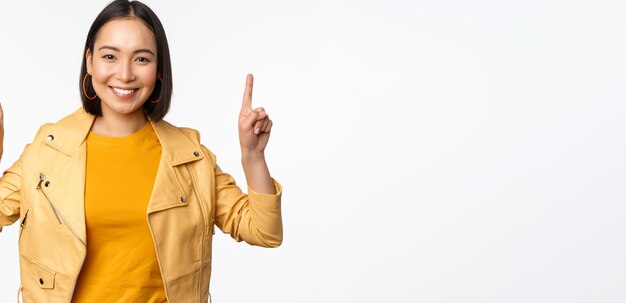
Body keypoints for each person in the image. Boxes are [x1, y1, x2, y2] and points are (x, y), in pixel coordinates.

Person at [0, 0, 283, 302]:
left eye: (142, 59)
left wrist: (253, 156)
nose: (124, 74)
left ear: (159, 69)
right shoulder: (48, 150)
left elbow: (264, 231)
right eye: (110, 56)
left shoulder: (189, 157)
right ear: (90, 61)